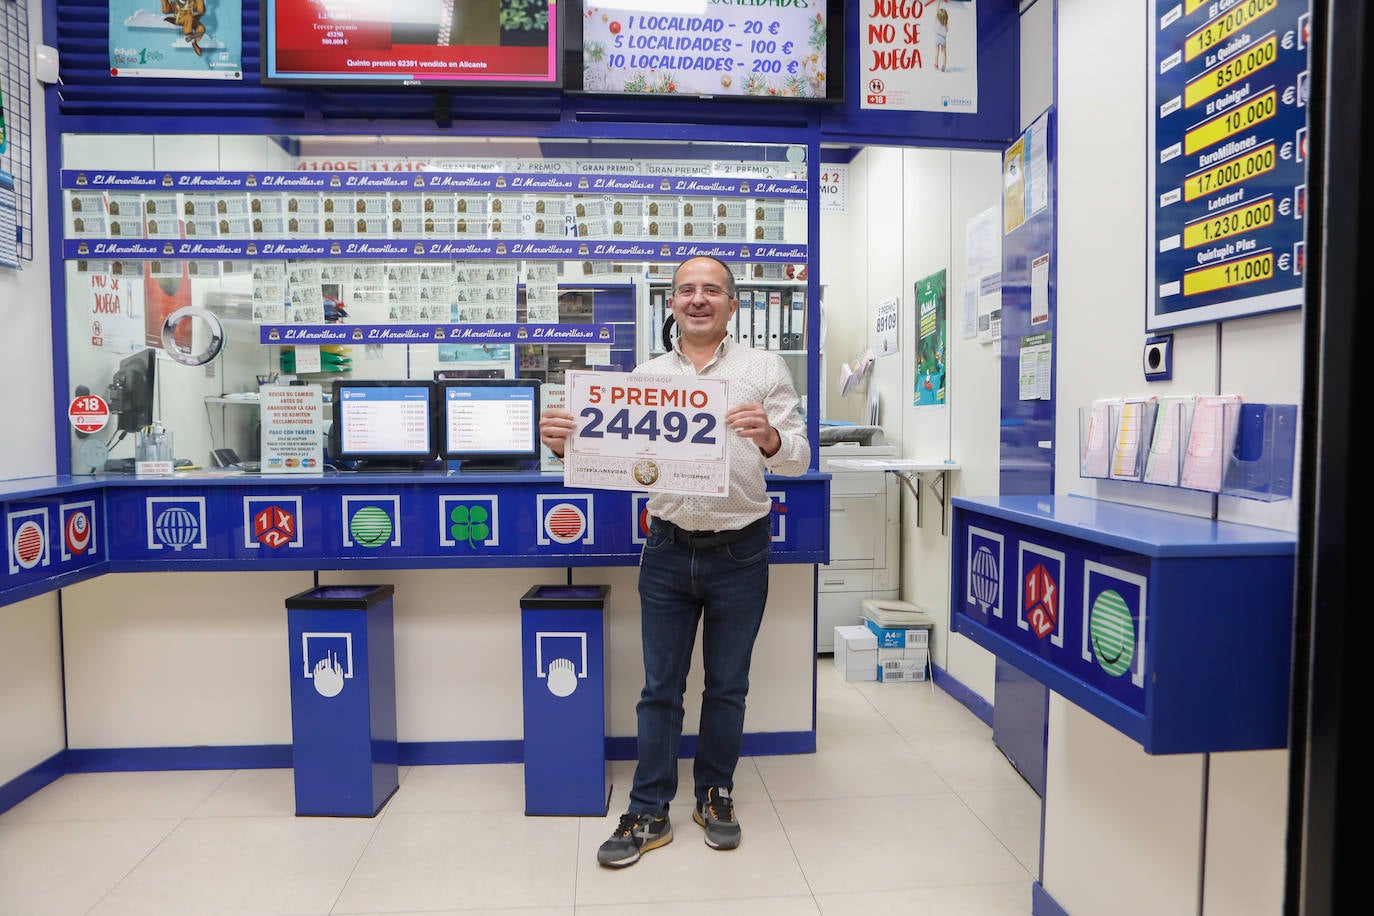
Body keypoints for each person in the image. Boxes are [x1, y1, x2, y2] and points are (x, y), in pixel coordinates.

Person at [538, 255, 810, 868]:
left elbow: (795, 458)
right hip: (665, 545)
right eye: (686, 290)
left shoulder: (764, 369)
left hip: (742, 546)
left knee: (728, 686)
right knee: (659, 688)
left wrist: (769, 437)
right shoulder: (646, 375)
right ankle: (649, 808)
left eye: (711, 290)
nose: (698, 299)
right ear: (671, 303)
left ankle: (714, 794)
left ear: (732, 304)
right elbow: (615, 458)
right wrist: (567, 443)